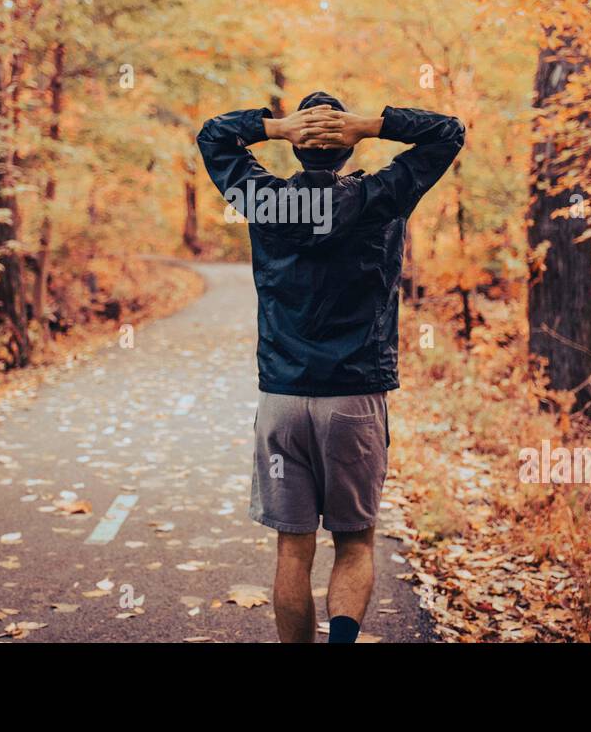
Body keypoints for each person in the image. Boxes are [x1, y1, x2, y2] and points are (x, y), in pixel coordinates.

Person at [196, 91, 465, 643]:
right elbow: (447, 132)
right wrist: (370, 123)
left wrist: (274, 127)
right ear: (344, 149)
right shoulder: (378, 197)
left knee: (293, 548)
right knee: (355, 542)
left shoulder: (266, 201)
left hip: (283, 402)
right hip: (354, 401)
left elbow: (213, 136)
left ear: (299, 149)